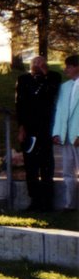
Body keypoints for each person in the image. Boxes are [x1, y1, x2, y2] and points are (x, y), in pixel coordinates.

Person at [16, 55, 62, 211]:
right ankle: (34, 200)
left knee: (46, 164)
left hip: (46, 127)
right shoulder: (23, 79)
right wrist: (21, 127)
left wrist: (44, 72)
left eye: (40, 62)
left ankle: (48, 201)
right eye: (34, 62)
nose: (37, 64)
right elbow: (19, 103)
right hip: (29, 128)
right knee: (31, 165)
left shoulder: (53, 77)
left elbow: (52, 91)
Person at [52, 54, 79, 212]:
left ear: (77, 67)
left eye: (69, 66)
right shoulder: (65, 86)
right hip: (66, 136)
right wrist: (56, 132)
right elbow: (60, 111)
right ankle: (70, 204)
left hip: (77, 135)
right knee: (68, 173)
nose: (65, 69)